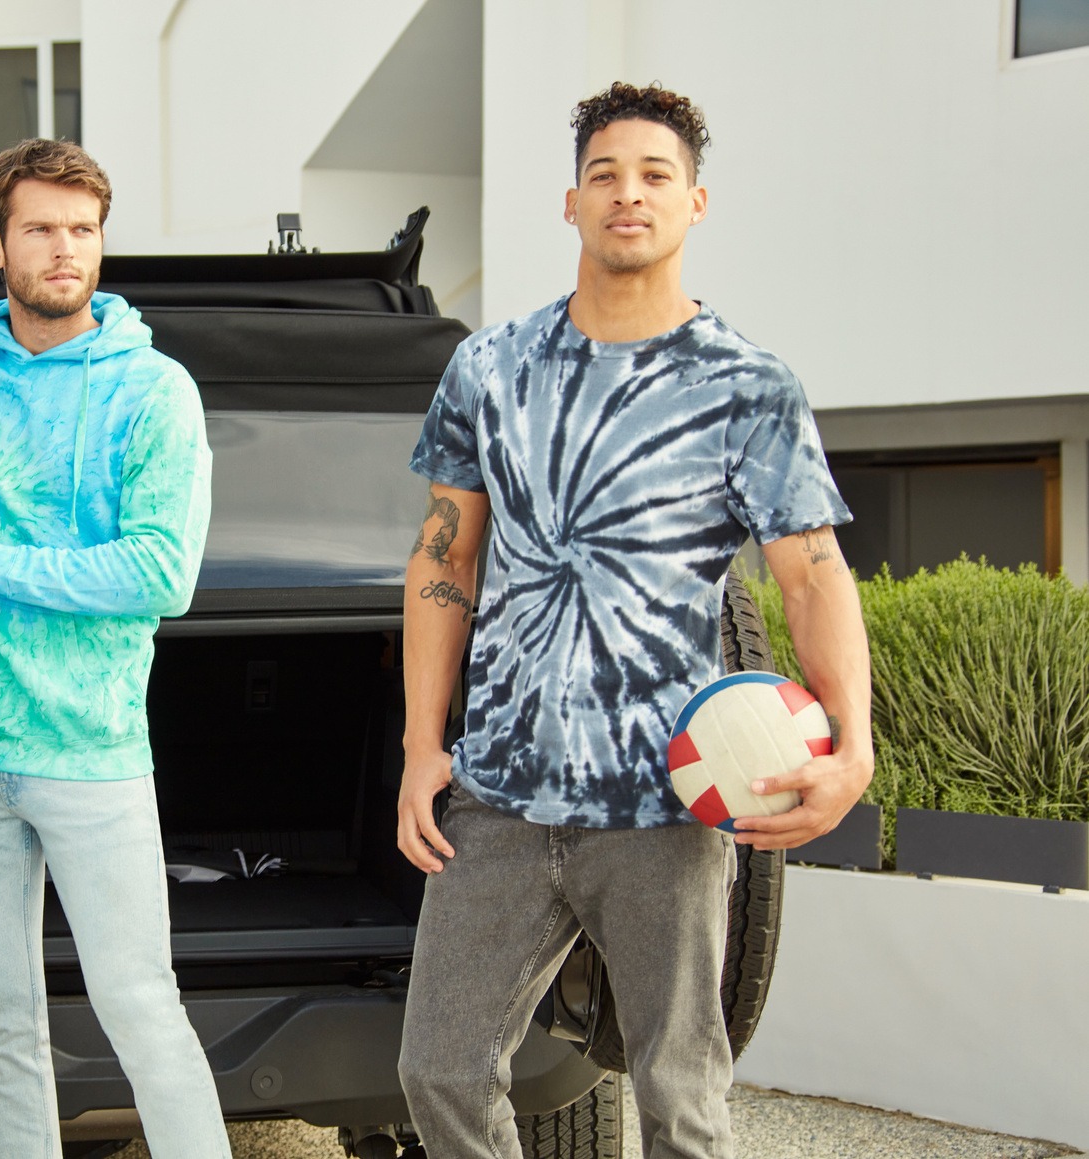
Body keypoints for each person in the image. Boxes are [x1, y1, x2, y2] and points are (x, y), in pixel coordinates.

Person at [394, 83, 873, 1159]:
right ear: (570, 203)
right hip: (500, 795)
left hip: (668, 803)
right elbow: (441, 559)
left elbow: (811, 573)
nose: (628, 193)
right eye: (605, 174)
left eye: (654, 175)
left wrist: (853, 748)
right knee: (437, 1069)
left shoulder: (747, 386)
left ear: (694, 203)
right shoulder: (490, 368)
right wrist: (425, 747)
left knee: (679, 1097)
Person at [0, 138, 231, 1159]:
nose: (65, 249)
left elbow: (161, 574)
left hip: (93, 752)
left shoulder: (153, 390)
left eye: (83, 229)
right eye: (40, 228)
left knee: (138, 1008)